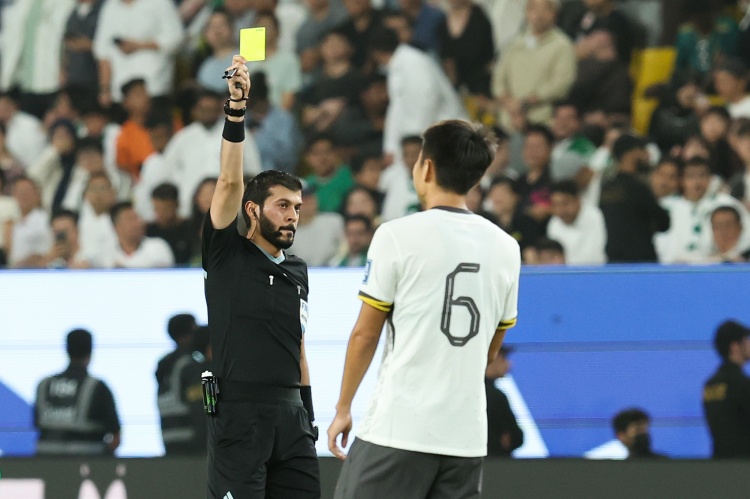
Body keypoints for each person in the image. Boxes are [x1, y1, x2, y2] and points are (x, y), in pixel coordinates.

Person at [327, 120, 520, 498]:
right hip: (465, 439)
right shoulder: (506, 247)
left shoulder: (396, 235)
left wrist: (343, 407)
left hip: (398, 430)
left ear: (426, 168)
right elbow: (490, 350)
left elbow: (365, 333)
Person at [202, 56, 320, 498]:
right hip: (239, 416)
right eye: (282, 205)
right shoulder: (225, 253)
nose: (292, 215)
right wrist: (237, 109)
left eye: (297, 207)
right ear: (252, 210)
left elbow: (299, 345)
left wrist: (308, 413)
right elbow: (229, 183)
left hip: (293, 420)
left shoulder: (298, 270)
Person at [491, 0, 576, 131]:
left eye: (545, 9)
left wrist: (525, 102)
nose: (539, 14)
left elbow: (561, 84)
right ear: (526, 13)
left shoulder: (563, 45)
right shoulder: (514, 44)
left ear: (554, 13)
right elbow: (498, 81)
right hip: (507, 120)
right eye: (533, 8)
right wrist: (510, 104)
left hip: (542, 123)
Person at [34, 329, 121, 455]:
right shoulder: (98, 388)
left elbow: (36, 423)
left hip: (45, 462)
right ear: (90, 352)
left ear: (67, 350)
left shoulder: (44, 385)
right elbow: (116, 437)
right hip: (87, 463)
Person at [599, 133, 670, 263]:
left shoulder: (606, 188)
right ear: (632, 153)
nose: (647, 155)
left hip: (613, 260)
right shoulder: (637, 188)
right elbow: (664, 222)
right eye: (643, 150)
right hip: (641, 261)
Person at [156, 313, 206, 454]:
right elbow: (202, 405)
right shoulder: (190, 366)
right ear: (188, 334)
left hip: (169, 438)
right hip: (192, 440)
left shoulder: (164, 365)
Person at [703, 320, 750, 458]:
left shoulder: (710, 384)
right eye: (746, 340)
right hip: (743, 464)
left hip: (720, 464)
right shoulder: (741, 384)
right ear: (735, 347)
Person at [547, 180, 606, 265]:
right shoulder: (554, 223)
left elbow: (594, 257)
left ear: (578, 200)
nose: (560, 210)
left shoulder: (595, 216)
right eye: (555, 205)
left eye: (565, 204)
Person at [485, 345, 524, 457]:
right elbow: (516, 437)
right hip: (496, 462)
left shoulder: (463, 392)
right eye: (503, 358)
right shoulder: (495, 396)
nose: (508, 364)